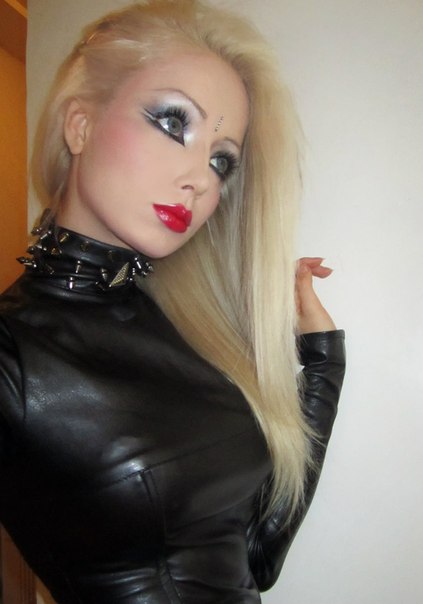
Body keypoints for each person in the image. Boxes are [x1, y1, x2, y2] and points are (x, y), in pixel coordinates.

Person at [0, 0, 345, 602]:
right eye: (172, 122)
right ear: (80, 125)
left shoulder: (190, 332)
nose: (202, 179)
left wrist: (322, 361)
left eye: (220, 160)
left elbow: (260, 557)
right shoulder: (12, 352)